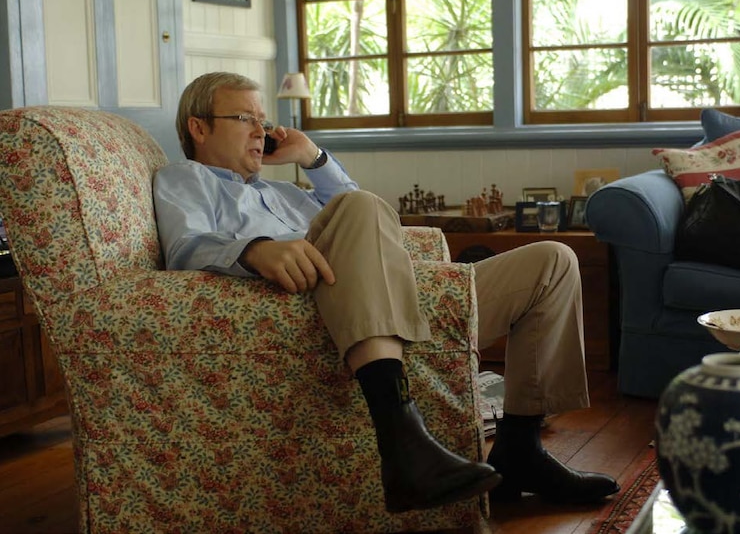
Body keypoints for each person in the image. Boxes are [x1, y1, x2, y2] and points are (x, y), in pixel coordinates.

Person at [153, 72, 619, 513]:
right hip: (329, 315)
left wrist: (313, 157)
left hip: (398, 294)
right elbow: (185, 246)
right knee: (358, 205)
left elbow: (366, 212)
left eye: (263, 119)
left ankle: (521, 448)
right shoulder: (185, 179)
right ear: (198, 127)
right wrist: (254, 250)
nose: (261, 130)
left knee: (553, 260)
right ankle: (401, 440)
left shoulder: (283, 192)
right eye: (245, 119)